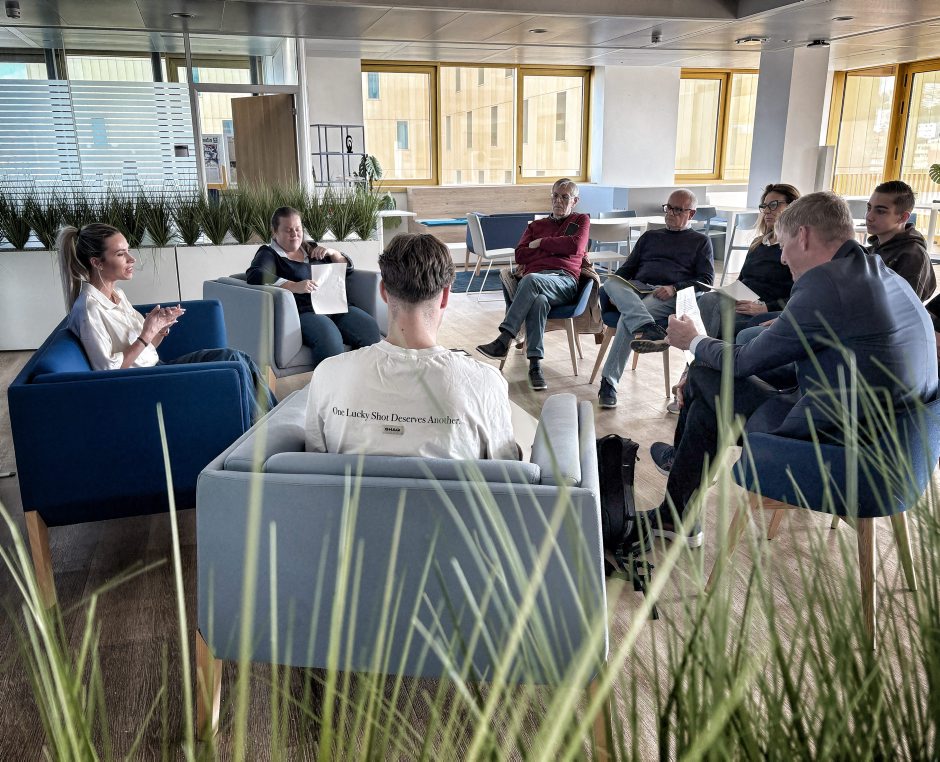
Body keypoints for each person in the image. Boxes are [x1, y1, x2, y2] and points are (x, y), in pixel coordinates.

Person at [648, 192, 937, 547]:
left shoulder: (826, 284)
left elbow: (743, 361)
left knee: (706, 378)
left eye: (784, 245)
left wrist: (692, 340)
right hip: (897, 448)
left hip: (847, 453)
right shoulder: (878, 272)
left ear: (803, 236)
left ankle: (676, 507)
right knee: (710, 394)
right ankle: (676, 513)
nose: (783, 257)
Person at [305, 233, 518, 460]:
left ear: (383, 292)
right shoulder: (486, 383)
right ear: (445, 296)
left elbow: (312, 463)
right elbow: (507, 472)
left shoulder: (328, 374)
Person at [57, 223, 276, 421]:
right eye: (121, 254)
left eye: (128, 251)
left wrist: (160, 328)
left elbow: (146, 348)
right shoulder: (89, 310)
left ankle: (276, 420)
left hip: (157, 368)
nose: (132, 259)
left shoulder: (117, 295)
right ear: (97, 262)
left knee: (240, 357)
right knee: (232, 361)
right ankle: (264, 428)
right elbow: (107, 371)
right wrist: (146, 333)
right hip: (145, 382)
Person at [596, 188, 714, 409]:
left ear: (691, 214)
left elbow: (707, 280)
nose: (670, 213)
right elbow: (627, 269)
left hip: (666, 295)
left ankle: (608, 383)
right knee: (609, 282)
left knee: (627, 319)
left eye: (678, 210)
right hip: (637, 289)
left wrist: (674, 288)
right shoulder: (650, 236)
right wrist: (615, 292)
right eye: (668, 208)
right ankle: (649, 328)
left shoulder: (700, 241)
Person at [476, 178, 590, 392]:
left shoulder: (581, 220)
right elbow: (520, 255)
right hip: (537, 281)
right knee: (538, 301)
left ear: (575, 201)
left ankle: (505, 338)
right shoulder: (536, 226)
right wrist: (555, 249)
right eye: (555, 196)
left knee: (531, 280)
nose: (558, 201)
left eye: (565, 197)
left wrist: (541, 244)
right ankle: (535, 366)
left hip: (564, 281)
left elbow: (575, 246)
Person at [247, 206, 381, 367]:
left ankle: (364, 377)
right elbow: (255, 274)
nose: (294, 234)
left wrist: (333, 253)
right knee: (329, 337)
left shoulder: (311, 248)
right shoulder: (269, 254)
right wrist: (293, 286)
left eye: (298, 229)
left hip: (335, 306)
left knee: (369, 328)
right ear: (274, 232)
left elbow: (347, 270)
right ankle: (331, 382)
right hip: (305, 312)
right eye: (288, 230)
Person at [697, 183, 800, 339]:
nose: (767, 211)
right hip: (744, 299)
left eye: (773, 205)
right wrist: (728, 293)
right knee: (706, 299)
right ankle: (706, 350)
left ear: (792, 207)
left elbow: (800, 294)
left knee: (722, 318)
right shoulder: (758, 243)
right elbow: (742, 280)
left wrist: (766, 308)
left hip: (766, 307)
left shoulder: (797, 247)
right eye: (764, 206)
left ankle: (707, 351)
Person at [865, 179, 936, 301]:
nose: (869, 216)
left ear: (903, 217)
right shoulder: (872, 249)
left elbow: (903, 308)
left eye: (880, 211)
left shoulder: (913, 257)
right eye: (869, 208)